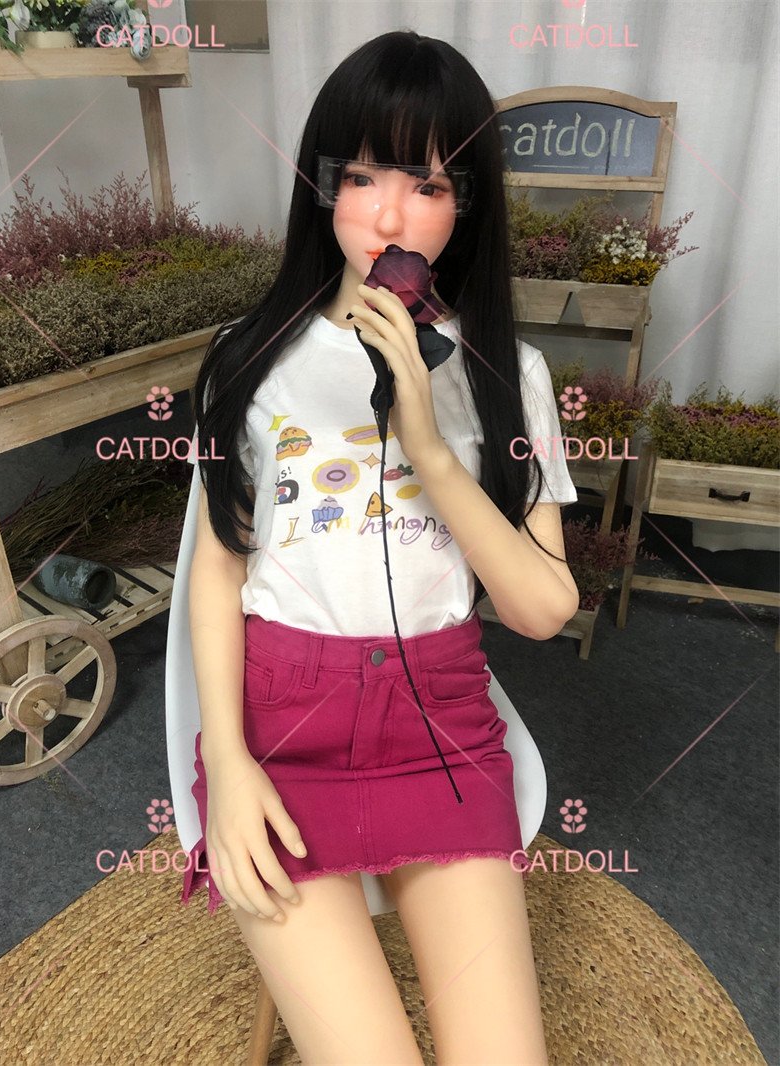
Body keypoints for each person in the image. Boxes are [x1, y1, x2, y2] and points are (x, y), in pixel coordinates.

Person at [166, 29, 579, 1065]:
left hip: (441, 728)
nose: (387, 217)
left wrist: (429, 445)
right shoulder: (248, 360)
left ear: (466, 205)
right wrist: (228, 759)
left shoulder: (511, 375)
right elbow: (218, 567)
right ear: (323, 188)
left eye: (426, 185)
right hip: (279, 729)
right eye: (359, 176)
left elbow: (539, 610)